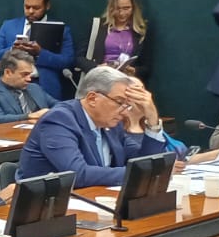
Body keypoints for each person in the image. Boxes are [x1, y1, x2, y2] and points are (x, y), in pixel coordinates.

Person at [16, 66, 168, 188]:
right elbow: (78, 174)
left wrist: (152, 120)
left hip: (93, 199)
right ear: (92, 98)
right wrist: (140, 173)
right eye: (120, 102)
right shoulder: (59, 120)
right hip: (48, 206)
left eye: (127, 105)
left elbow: (144, 161)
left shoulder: (111, 124)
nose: (124, 111)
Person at [0, 0, 74, 100]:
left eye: (36, 8)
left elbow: (68, 61)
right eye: (27, 7)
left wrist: (40, 53)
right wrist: (13, 50)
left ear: (47, 6)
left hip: (46, 88)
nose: (31, 11)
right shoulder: (8, 25)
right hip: (12, 87)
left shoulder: (62, 30)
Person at [80, 0, 152, 83]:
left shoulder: (140, 30)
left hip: (127, 82)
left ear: (134, 8)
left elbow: (146, 66)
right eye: (117, 8)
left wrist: (134, 71)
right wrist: (97, 68)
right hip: (101, 81)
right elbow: (79, 58)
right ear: (111, 8)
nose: (121, 13)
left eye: (126, 8)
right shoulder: (98, 26)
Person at [0, 50, 57, 124]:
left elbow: (58, 105)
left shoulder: (35, 88)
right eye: (25, 74)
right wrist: (30, 116)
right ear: (8, 73)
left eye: (30, 74)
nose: (29, 79)